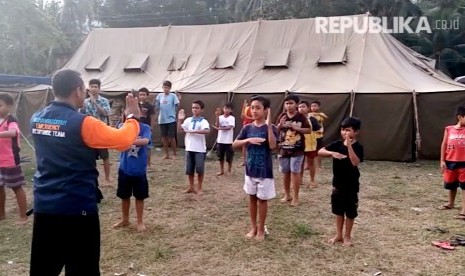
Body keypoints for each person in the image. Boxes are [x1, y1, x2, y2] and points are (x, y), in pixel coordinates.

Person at [29, 69, 140, 276]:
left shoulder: (36, 118)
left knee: (43, 269)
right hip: (77, 207)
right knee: (83, 268)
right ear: (78, 90)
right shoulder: (83, 123)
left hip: (45, 206)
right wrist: (132, 118)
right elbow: (123, 140)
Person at [233, 95, 277, 241]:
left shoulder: (271, 128)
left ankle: (261, 229)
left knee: (262, 200)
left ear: (266, 110)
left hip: (265, 172)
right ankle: (253, 227)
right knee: (251, 198)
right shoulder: (247, 128)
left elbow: (272, 146)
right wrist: (248, 140)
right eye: (252, 107)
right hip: (250, 170)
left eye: (258, 107)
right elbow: (234, 144)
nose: (254, 111)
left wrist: (269, 125)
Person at [318, 117, 363, 247]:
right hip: (338, 184)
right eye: (343, 130)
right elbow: (320, 151)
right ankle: (338, 234)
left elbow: (355, 162)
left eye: (348, 130)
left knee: (350, 212)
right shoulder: (337, 144)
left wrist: (349, 146)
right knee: (338, 211)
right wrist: (332, 153)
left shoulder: (358, 147)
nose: (344, 133)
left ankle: (347, 236)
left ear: (356, 132)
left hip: (352, 185)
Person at [112, 110, 151, 232]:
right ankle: (125, 219)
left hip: (139, 170)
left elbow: (145, 141)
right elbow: (117, 138)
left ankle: (140, 221)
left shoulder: (145, 128)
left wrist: (128, 140)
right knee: (124, 196)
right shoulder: (122, 127)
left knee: (139, 197)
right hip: (125, 168)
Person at [276, 94, 311, 206]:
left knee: (295, 172)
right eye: (287, 103)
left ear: (296, 104)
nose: (289, 106)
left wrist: (297, 128)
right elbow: (275, 130)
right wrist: (280, 125)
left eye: (291, 103)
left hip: (297, 149)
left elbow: (309, 130)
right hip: (283, 149)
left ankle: (296, 197)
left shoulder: (301, 117)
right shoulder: (282, 115)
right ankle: (287, 195)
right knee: (285, 172)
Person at [0, 94, 28, 225]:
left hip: (10, 160)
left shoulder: (12, 120)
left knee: (16, 187)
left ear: (9, 106)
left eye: (0, 105)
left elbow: (13, 133)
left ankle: (23, 216)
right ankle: (1, 215)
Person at [81, 79, 112, 183]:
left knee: (105, 156)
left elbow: (106, 113)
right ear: (89, 88)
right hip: (90, 132)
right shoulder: (84, 102)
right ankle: (92, 177)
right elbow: (81, 115)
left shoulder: (104, 101)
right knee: (90, 156)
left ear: (99, 88)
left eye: (95, 86)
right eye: (92, 86)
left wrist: (95, 103)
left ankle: (107, 178)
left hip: (101, 131)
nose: (93, 88)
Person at [177, 100, 210, 195]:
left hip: (199, 149)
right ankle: (191, 187)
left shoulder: (203, 121)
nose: (194, 109)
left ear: (202, 110)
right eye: (193, 107)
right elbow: (180, 130)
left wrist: (193, 131)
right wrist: (179, 120)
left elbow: (207, 131)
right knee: (189, 169)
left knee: (200, 168)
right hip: (189, 147)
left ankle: (199, 187)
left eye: (197, 108)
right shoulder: (188, 120)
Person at [439, 106, 465, 219]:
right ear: (460, 117)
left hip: (464, 162)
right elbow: (444, 145)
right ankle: (451, 203)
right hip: (450, 161)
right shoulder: (449, 129)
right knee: (451, 184)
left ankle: (464, 211)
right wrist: (442, 160)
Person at [298, 101, 321, 188]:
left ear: (308, 108)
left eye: (303, 106)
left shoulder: (312, 119)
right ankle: (299, 180)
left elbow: (318, 129)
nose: (301, 108)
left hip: (310, 144)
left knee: (310, 163)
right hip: (299, 145)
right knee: (300, 163)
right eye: (299, 107)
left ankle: (312, 181)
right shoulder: (296, 119)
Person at [155, 80, 180, 159]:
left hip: (171, 119)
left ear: (170, 88)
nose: (166, 89)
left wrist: (174, 113)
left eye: (168, 88)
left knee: (172, 137)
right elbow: (156, 105)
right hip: (162, 119)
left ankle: (174, 154)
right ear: (162, 87)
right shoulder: (159, 96)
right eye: (165, 87)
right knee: (164, 137)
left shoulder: (173, 96)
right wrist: (156, 106)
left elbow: (177, 105)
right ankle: (166, 154)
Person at [212, 103, 235, 176]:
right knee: (220, 157)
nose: (226, 110)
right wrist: (217, 116)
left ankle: (229, 170)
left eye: (228, 109)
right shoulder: (220, 117)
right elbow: (217, 125)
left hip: (228, 141)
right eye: (225, 108)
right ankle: (221, 170)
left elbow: (229, 127)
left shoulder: (232, 118)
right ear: (223, 109)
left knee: (229, 157)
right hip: (220, 140)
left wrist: (219, 129)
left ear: (231, 110)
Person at [138, 87, 155, 167]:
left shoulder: (150, 106)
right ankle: (139, 162)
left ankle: (148, 164)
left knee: (148, 146)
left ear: (147, 96)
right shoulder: (136, 104)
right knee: (137, 145)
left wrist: (151, 127)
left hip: (146, 127)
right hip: (137, 127)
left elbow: (152, 117)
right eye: (140, 95)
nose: (142, 96)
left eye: (143, 95)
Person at [309, 100, 328, 169]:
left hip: (319, 136)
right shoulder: (308, 115)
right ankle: (309, 165)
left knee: (319, 151)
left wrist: (317, 114)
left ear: (318, 107)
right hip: (311, 136)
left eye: (315, 106)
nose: (313, 107)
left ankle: (319, 165)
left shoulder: (321, 114)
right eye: (312, 106)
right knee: (310, 151)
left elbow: (326, 117)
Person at [240, 99, 254, 166]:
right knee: (244, 144)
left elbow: (256, 118)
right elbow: (242, 117)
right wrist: (243, 107)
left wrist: (247, 116)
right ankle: (244, 161)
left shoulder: (256, 109)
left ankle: (251, 159)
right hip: (245, 127)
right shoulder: (247, 108)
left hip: (253, 127)